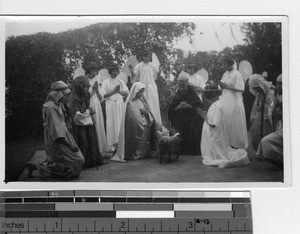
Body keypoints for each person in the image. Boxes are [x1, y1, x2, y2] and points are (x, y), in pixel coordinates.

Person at [26, 81, 85, 180]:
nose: (67, 97)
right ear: (58, 94)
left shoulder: (60, 104)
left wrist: (67, 108)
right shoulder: (51, 108)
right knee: (75, 160)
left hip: (63, 134)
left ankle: (38, 167)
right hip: (57, 138)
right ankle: (39, 168)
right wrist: (71, 145)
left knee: (64, 162)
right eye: (65, 95)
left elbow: (65, 122)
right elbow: (56, 132)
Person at [199, 84, 250, 168]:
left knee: (216, 150)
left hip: (215, 134)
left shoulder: (216, 106)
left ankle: (216, 156)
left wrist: (203, 115)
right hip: (216, 133)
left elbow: (213, 124)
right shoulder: (217, 103)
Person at [68, 76, 106, 169]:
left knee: (91, 140)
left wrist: (90, 111)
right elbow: (76, 117)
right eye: (84, 87)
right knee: (83, 142)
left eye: (86, 87)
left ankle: (92, 160)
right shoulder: (73, 99)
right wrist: (89, 112)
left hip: (87, 123)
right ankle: (84, 162)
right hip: (79, 126)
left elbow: (86, 106)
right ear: (78, 86)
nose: (85, 89)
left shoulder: (83, 95)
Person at [111, 82, 155, 162]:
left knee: (146, 133)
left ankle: (145, 153)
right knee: (139, 130)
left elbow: (148, 110)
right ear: (135, 91)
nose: (141, 94)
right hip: (135, 124)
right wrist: (140, 113)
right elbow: (131, 116)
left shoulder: (142, 100)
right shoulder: (130, 102)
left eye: (142, 92)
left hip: (144, 121)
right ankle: (136, 154)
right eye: (139, 92)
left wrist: (146, 114)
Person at [168, 75, 205, 155]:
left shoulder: (192, 95)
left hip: (191, 117)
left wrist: (190, 106)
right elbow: (171, 109)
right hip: (179, 117)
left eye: (183, 87)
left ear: (187, 86)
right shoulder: (178, 94)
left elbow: (200, 107)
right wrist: (177, 107)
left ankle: (191, 149)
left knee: (192, 124)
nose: (181, 89)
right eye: (180, 87)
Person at [219, 54, 248, 149]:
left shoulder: (237, 74)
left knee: (235, 123)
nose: (223, 66)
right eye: (222, 64)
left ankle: (237, 146)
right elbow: (222, 87)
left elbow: (240, 88)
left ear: (229, 64)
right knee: (227, 123)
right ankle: (228, 145)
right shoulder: (225, 74)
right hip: (226, 101)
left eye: (224, 64)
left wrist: (226, 86)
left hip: (235, 102)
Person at [101, 62, 129, 152]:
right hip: (111, 104)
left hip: (119, 103)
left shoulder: (120, 81)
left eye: (117, 70)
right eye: (114, 70)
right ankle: (112, 147)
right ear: (110, 71)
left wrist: (119, 91)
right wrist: (114, 91)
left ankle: (120, 145)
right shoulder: (106, 82)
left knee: (120, 123)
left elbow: (126, 93)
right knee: (112, 124)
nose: (116, 72)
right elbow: (104, 95)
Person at [133, 50, 162, 126]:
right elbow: (136, 76)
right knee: (144, 104)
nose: (147, 58)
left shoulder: (152, 66)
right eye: (145, 57)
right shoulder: (139, 66)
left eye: (148, 57)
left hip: (151, 86)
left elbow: (155, 76)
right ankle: (145, 122)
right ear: (143, 57)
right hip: (142, 86)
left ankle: (156, 122)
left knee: (153, 103)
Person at [85, 62, 108, 154]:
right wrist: (94, 90)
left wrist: (97, 90)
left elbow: (100, 97)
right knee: (92, 124)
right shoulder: (84, 81)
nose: (94, 73)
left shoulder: (96, 80)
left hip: (96, 103)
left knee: (98, 123)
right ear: (88, 72)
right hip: (88, 104)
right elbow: (85, 96)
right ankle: (92, 150)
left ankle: (100, 149)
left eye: (95, 71)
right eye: (92, 71)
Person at [249, 74, 274, 151]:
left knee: (266, 136)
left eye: (255, 88)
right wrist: (253, 117)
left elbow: (272, 107)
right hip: (258, 119)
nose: (255, 90)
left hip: (266, 120)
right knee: (255, 136)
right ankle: (259, 152)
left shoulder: (270, 93)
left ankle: (266, 152)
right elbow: (255, 107)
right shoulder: (259, 94)